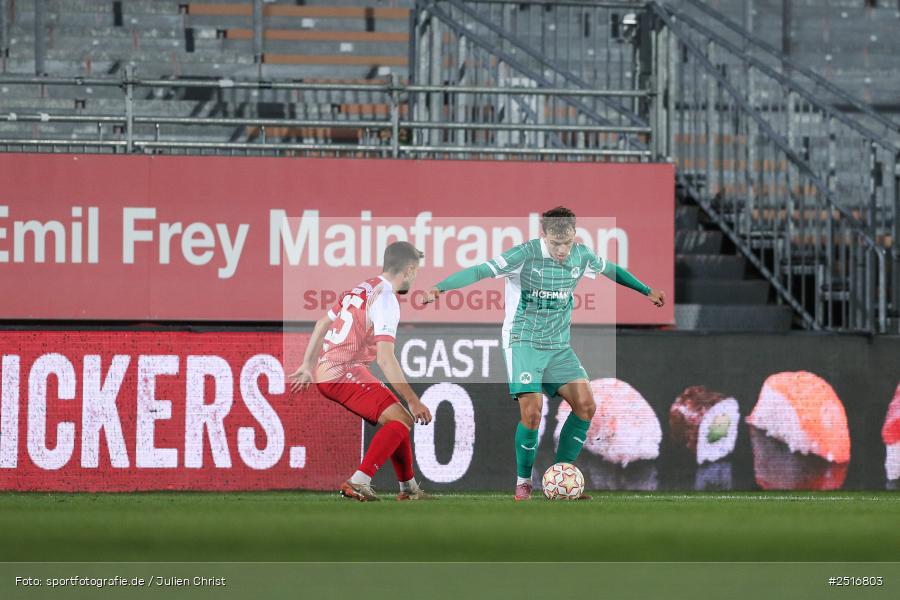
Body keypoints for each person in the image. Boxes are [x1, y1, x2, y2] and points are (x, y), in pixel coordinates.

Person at [424, 206, 666, 500]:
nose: (562, 250)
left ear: (574, 236)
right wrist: (440, 288)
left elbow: (612, 270)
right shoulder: (524, 255)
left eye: (566, 243)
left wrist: (646, 290)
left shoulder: (582, 255)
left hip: (558, 347)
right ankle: (523, 482)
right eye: (555, 244)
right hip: (523, 342)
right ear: (544, 236)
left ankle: (560, 477)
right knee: (533, 411)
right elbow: (479, 270)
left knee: (586, 405)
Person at [290, 241, 435, 501]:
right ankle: (359, 481)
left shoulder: (362, 287)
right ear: (410, 269)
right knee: (403, 419)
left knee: (399, 420)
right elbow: (385, 359)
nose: (415, 279)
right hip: (342, 371)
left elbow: (322, 322)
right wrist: (414, 401)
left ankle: (408, 489)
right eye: (417, 272)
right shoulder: (386, 298)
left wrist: (306, 364)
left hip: (331, 370)